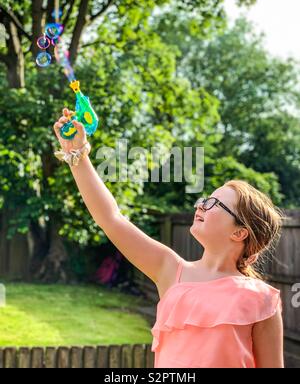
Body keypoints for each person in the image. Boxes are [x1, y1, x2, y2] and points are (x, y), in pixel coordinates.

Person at [53, 108, 284, 368]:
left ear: (239, 232)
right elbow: (111, 218)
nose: (200, 205)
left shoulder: (263, 300)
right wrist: (78, 155)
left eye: (214, 203)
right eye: (204, 199)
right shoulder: (170, 269)